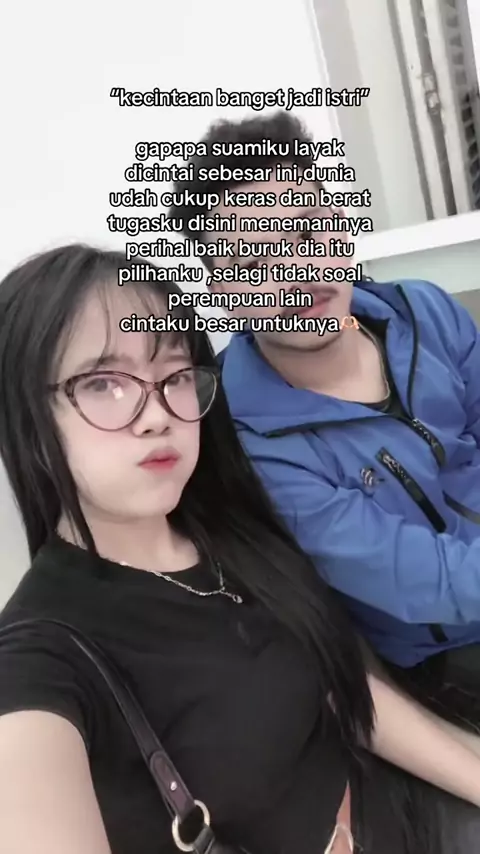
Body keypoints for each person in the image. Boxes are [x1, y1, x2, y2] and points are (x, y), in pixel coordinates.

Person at [1, 247, 480, 853]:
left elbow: (345, 691)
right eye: (103, 383)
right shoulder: (40, 654)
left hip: (412, 809)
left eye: (175, 375)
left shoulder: (234, 530)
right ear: (27, 419)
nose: (156, 415)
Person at [168, 110, 480, 726]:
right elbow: (417, 578)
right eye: (256, 259)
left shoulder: (424, 312)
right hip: (445, 653)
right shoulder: (245, 438)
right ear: (219, 289)